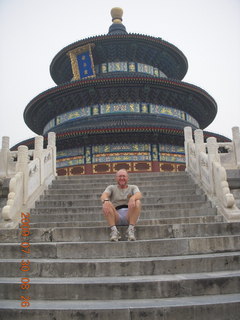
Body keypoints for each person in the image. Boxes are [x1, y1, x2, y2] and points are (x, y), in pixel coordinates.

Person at [100, 169, 142, 241]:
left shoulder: (133, 187)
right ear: (116, 178)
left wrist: (133, 198)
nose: (122, 178)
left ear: (127, 178)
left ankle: (131, 230)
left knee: (137, 201)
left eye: (124, 176)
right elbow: (104, 195)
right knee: (107, 203)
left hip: (130, 215)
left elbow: (139, 194)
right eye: (119, 176)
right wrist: (105, 201)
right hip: (116, 216)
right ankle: (114, 231)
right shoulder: (111, 187)